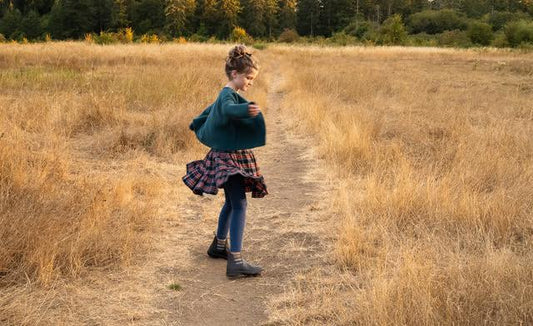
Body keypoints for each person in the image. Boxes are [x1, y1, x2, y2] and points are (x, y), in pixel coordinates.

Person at [182, 44, 268, 278]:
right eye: (248, 78)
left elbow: (209, 111)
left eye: (253, 79)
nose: (251, 82)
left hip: (228, 155)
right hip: (228, 158)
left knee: (231, 202)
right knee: (240, 204)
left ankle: (219, 246)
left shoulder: (227, 94)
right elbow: (228, 109)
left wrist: (196, 122)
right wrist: (245, 111)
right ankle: (236, 261)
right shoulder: (228, 96)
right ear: (235, 74)